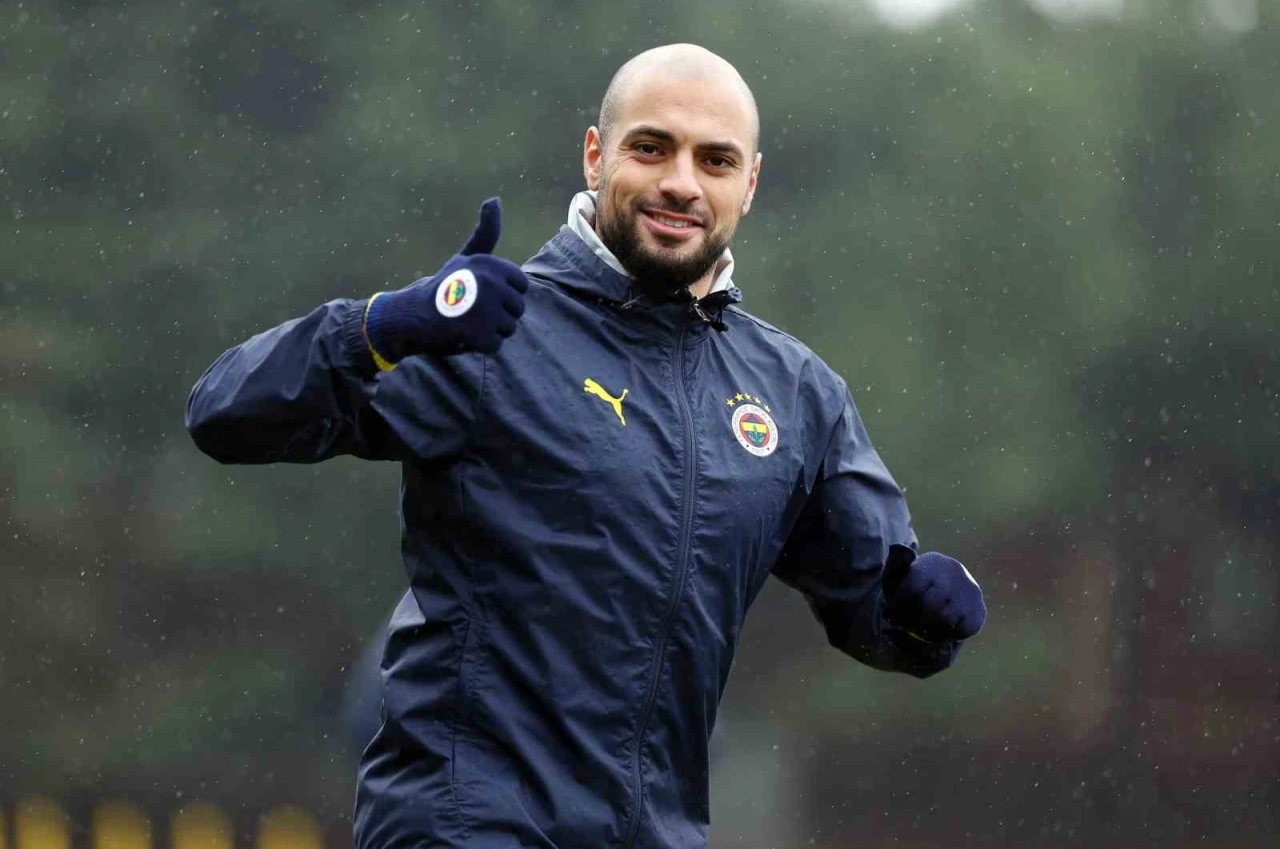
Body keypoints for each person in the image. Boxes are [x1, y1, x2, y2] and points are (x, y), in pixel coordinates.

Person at [185, 43, 987, 849]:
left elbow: (880, 616)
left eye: (714, 160)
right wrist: (377, 326)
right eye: (652, 147)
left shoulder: (797, 392)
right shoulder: (484, 328)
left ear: (749, 183)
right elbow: (224, 411)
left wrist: (925, 614)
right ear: (596, 156)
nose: (681, 182)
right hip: (466, 831)